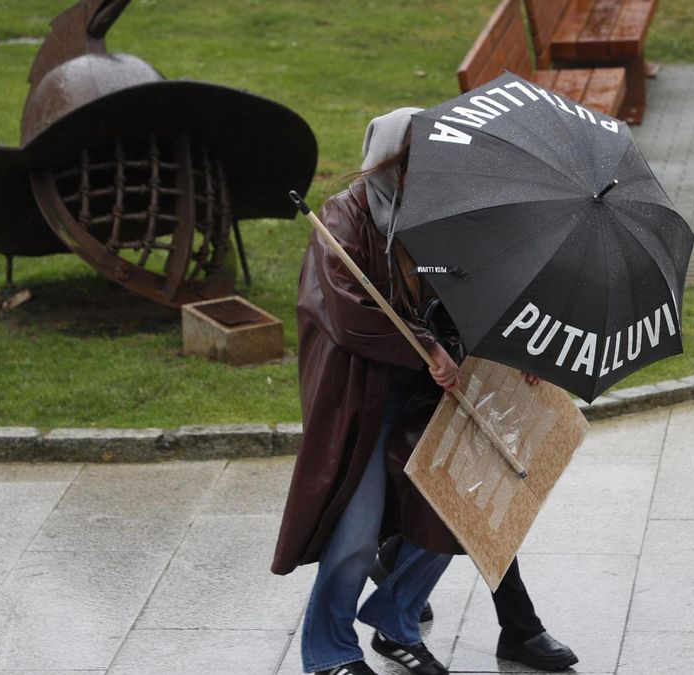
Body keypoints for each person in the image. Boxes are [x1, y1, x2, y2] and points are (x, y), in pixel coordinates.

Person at [271, 107, 462, 675]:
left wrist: (498, 352)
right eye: (411, 165)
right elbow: (349, 316)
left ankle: (396, 621)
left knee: (454, 515)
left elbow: (467, 295)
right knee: (354, 536)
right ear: (387, 165)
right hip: (360, 399)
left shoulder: (437, 219)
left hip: (427, 398)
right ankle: (329, 651)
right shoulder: (343, 217)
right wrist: (427, 346)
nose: (423, 177)